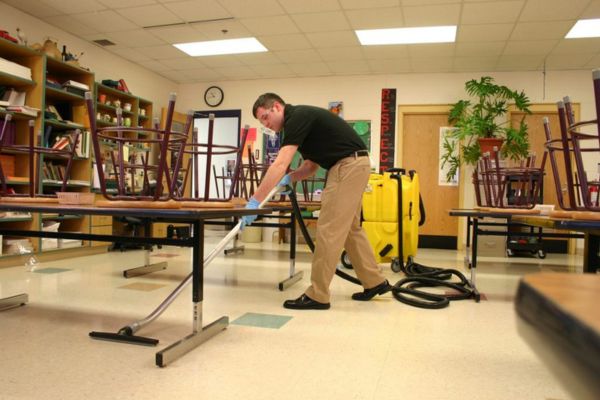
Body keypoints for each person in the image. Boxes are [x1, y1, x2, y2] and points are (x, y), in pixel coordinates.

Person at [242, 93, 391, 310]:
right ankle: (375, 282)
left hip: (346, 166)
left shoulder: (296, 118)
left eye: (265, 117)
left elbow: (280, 162)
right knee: (350, 228)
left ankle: (318, 295)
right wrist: (290, 178)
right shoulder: (301, 121)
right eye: (261, 122)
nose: (266, 124)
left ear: (276, 107)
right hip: (356, 164)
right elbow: (311, 166)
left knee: (329, 229)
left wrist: (255, 201)